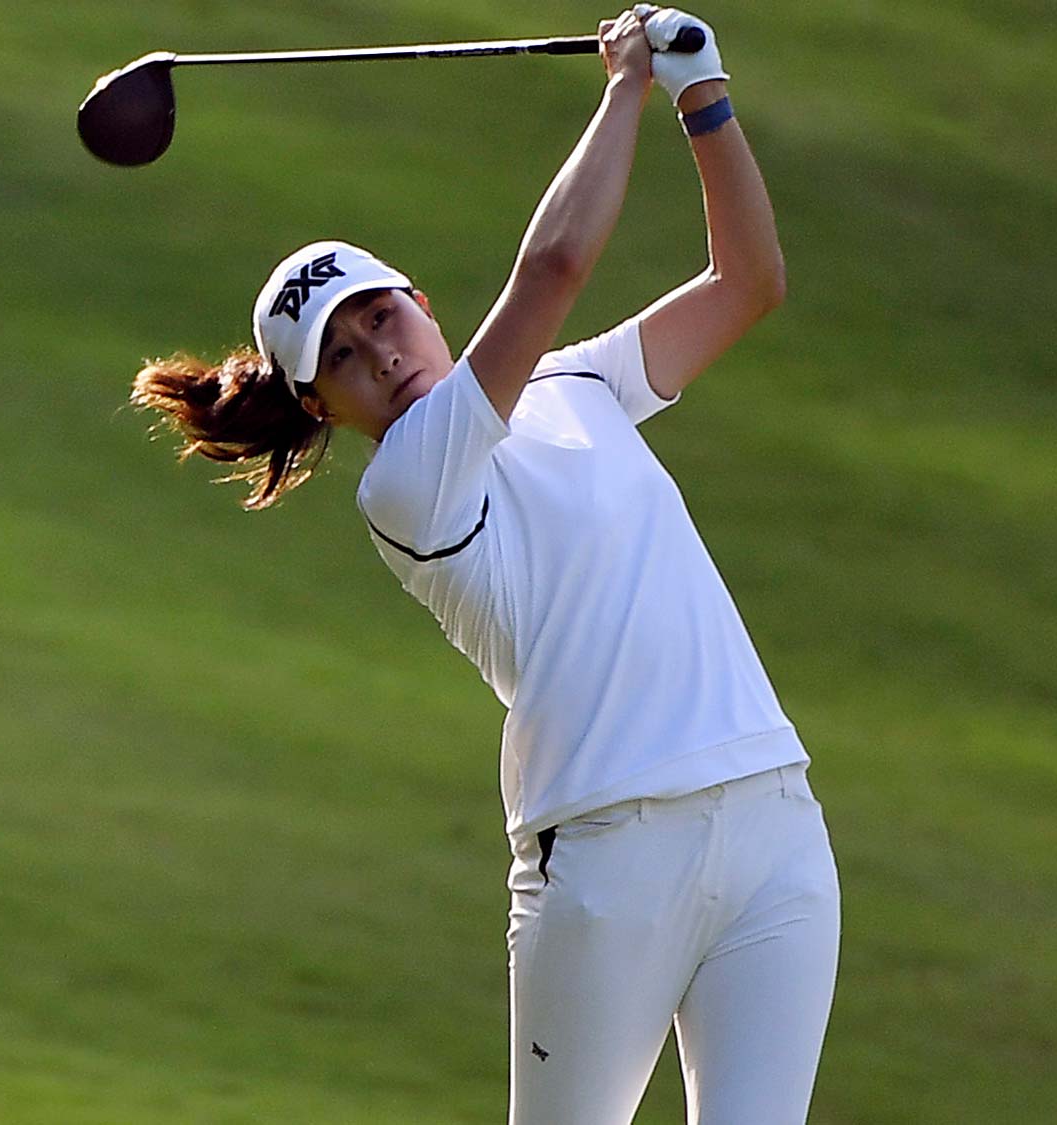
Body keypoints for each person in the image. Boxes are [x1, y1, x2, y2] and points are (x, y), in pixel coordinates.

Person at [126, 8, 838, 1122]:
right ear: (321, 405)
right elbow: (553, 264)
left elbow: (747, 283)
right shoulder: (408, 485)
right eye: (345, 361)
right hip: (605, 857)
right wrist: (624, 88)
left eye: (378, 318)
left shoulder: (579, 384)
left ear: (418, 299)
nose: (382, 357)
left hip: (770, 815)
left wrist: (705, 96)